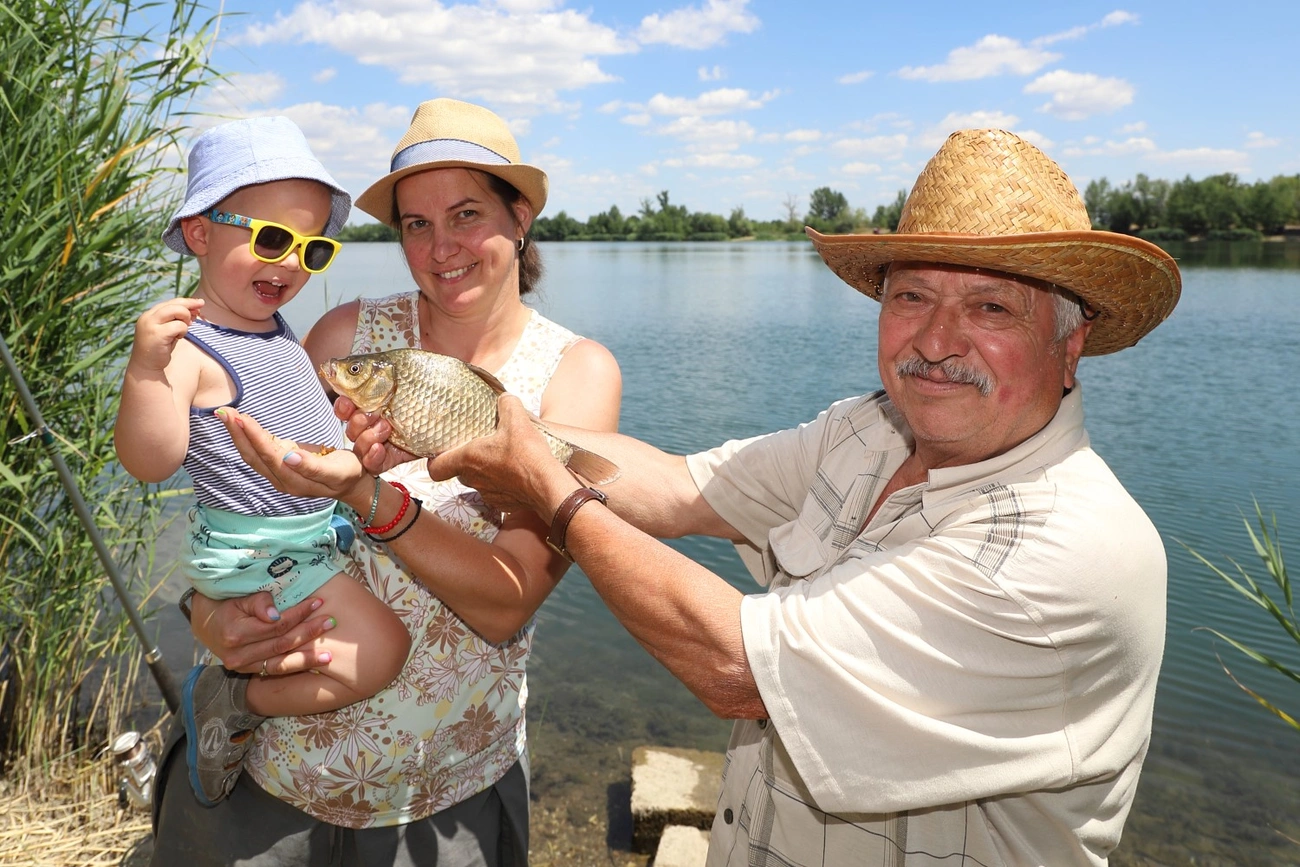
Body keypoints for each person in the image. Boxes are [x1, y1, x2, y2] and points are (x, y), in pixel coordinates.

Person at [222, 128, 1179, 866]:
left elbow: (739, 670)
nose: (935, 339)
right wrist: (497, 436)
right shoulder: (865, 431)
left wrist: (545, 490)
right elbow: (681, 485)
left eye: (992, 306)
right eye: (910, 296)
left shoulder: (1060, 553)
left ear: (1074, 335)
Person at [148, 99, 621, 867]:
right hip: (277, 765)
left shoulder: (576, 375)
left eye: (466, 214)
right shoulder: (342, 338)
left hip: (443, 790)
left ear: (521, 215)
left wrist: (366, 494)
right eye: (415, 224)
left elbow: (506, 603)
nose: (442, 248)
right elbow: (249, 497)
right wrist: (206, 608)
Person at [114, 116, 410, 808]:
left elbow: (302, 422)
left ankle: (246, 692)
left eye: (310, 250)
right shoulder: (190, 347)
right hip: (265, 545)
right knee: (383, 652)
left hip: (301, 535)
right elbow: (151, 461)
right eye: (271, 239)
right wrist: (144, 374)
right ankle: (236, 699)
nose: (288, 265)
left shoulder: (276, 331)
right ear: (199, 232)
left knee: (371, 645)